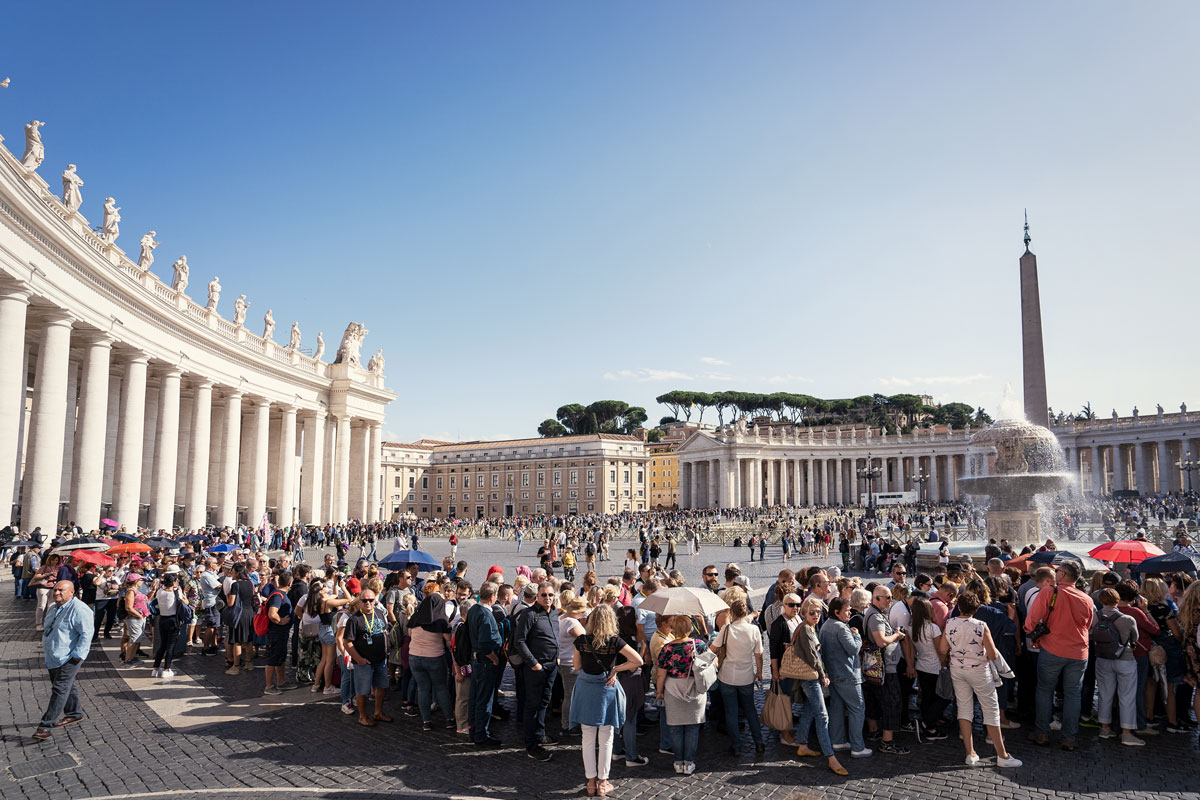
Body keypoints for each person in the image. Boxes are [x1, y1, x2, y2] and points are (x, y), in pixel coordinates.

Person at [939, 588, 1022, 767]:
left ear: (959, 607)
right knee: (991, 710)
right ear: (976, 608)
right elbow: (992, 654)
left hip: (957, 669)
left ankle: (970, 753)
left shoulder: (950, 623)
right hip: (979, 671)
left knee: (964, 708)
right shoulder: (980, 626)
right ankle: (1002, 755)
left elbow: (943, 649)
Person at [571, 604, 642, 796]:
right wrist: (616, 669)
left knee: (587, 738)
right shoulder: (614, 641)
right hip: (605, 689)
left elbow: (577, 665)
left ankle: (591, 782)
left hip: (586, 689)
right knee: (606, 738)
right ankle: (603, 783)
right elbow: (638, 661)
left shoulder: (582, 640)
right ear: (611, 621)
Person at [1024, 560, 1093, 750]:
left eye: (1058, 571)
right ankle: (1069, 738)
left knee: (1045, 690)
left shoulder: (1049, 592)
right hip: (1079, 651)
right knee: (1073, 694)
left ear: (1062, 575)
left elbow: (1032, 619)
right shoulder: (1086, 598)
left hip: (1053, 649)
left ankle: (1042, 733)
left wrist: (1030, 631)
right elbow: (1088, 625)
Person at [791, 596, 847, 775]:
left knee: (809, 710)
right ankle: (831, 758)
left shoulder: (809, 628)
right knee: (823, 717)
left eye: (818, 612)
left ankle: (802, 744)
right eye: (812, 612)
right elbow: (812, 658)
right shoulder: (806, 629)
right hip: (811, 678)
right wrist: (823, 676)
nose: (816, 615)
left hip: (811, 677)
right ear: (805, 612)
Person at [33, 581, 94, 740]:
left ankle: (45, 726)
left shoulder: (80, 609)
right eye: (55, 589)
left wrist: (77, 655)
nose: (57, 592)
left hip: (70, 657)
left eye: (61, 590)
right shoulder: (54, 608)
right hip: (54, 656)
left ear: (71, 592)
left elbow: (87, 634)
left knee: (60, 688)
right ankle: (74, 713)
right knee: (66, 685)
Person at [655, 614, 708, 775]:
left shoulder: (667, 648)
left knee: (676, 728)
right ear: (690, 628)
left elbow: (661, 674)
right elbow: (712, 663)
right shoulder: (699, 645)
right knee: (692, 728)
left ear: (674, 629)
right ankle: (689, 762)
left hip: (673, 688)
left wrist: (659, 691)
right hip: (695, 688)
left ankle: (678, 761)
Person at [514, 581, 560, 761]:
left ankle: (540, 733)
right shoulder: (529, 614)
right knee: (532, 705)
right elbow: (519, 641)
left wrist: (556, 658)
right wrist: (534, 663)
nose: (547, 598)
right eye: (544, 595)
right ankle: (531, 745)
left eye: (550, 595)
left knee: (544, 701)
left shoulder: (555, 612)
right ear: (537, 597)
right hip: (536, 668)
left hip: (551, 666)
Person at [820, 596, 871, 757]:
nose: (850, 613)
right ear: (837, 612)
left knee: (837, 708)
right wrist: (856, 636)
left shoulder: (826, 625)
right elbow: (854, 649)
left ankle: (838, 740)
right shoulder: (842, 628)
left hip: (834, 674)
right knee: (858, 709)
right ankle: (857, 747)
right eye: (847, 610)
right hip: (848, 675)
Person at [714, 596, 764, 756]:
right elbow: (759, 655)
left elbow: (713, 649)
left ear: (732, 613)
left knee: (731, 712)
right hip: (746, 676)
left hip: (727, 676)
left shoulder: (726, 629)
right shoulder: (754, 630)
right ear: (746, 613)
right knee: (750, 710)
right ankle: (759, 743)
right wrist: (760, 672)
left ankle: (735, 745)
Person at [1092, 587, 1142, 745]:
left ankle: (1104, 728)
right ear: (1118, 600)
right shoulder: (1127, 619)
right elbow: (1135, 637)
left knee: (1104, 694)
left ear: (1101, 600)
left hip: (1102, 658)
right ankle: (1127, 733)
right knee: (1126, 696)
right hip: (1124, 659)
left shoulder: (1095, 617)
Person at [863, 586, 909, 754]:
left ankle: (874, 732)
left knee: (876, 700)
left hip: (878, 667)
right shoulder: (875, 617)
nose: (891, 600)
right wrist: (897, 635)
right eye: (887, 597)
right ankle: (887, 742)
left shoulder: (876, 613)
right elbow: (881, 641)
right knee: (892, 703)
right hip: (884, 669)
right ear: (877, 599)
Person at [343, 587, 392, 727]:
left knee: (382, 686)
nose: (368, 603)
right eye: (364, 600)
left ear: (375, 600)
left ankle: (378, 712)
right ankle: (362, 716)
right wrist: (358, 659)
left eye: (371, 600)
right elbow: (347, 642)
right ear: (360, 602)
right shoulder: (354, 619)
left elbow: (383, 630)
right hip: (364, 662)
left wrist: (387, 645)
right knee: (362, 691)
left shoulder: (379, 613)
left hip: (380, 659)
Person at [408, 592, 456, 731]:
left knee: (422, 689)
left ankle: (426, 721)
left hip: (415, 657)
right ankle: (449, 719)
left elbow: (410, 634)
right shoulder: (441, 620)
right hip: (434, 657)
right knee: (441, 687)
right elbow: (448, 639)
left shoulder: (415, 617)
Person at [467, 581, 505, 747]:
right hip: (485, 662)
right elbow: (484, 643)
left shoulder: (474, 609)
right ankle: (481, 734)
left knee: (475, 697)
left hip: (477, 661)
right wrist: (494, 658)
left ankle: (474, 730)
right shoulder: (485, 614)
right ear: (492, 596)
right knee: (484, 699)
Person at [908, 595, 950, 739]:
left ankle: (929, 727)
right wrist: (945, 664)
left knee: (927, 697)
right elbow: (940, 651)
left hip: (921, 665)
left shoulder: (911, 627)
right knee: (944, 697)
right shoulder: (933, 628)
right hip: (935, 667)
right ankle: (928, 723)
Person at [557, 594, 588, 736]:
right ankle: (568, 724)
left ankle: (569, 723)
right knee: (571, 695)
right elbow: (585, 640)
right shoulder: (572, 623)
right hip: (571, 663)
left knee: (569, 694)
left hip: (563, 661)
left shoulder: (561, 618)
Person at [263, 571, 295, 694]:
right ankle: (269, 686)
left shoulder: (279, 593)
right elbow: (272, 613)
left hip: (281, 632)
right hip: (276, 632)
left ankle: (281, 682)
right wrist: (280, 621)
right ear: (289, 583)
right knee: (273, 657)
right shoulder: (278, 595)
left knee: (280, 657)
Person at [151, 572, 184, 680]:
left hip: (162, 619)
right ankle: (166, 669)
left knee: (163, 644)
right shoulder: (176, 593)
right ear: (174, 582)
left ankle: (155, 668)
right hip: (173, 619)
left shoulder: (160, 592)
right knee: (171, 645)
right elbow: (186, 602)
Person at [121, 573, 150, 665]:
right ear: (136, 581)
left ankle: (132, 658)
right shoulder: (130, 591)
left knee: (137, 638)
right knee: (134, 639)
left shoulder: (135, 590)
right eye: (141, 580)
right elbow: (128, 607)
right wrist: (139, 615)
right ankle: (127, 659)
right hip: (134, 618)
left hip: (139, 618)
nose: (142, 582)